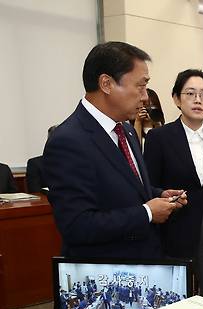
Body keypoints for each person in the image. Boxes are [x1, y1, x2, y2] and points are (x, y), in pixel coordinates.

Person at [43, 42, 186, 259]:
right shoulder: (68, 141)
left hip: (146, 260)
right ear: (106, 84)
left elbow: (123, 188)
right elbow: (77, 225)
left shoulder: (125, 130)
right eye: (140, 86)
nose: (145, 96)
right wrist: (147, 213)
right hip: (108, 272)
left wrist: (158, 195)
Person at [144, 69, 203, 298]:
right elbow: (148, 186)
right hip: (175, 230)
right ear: (177, 99)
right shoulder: (159, 138)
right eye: (190, 93)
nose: (198, 100)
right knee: (176, 298)